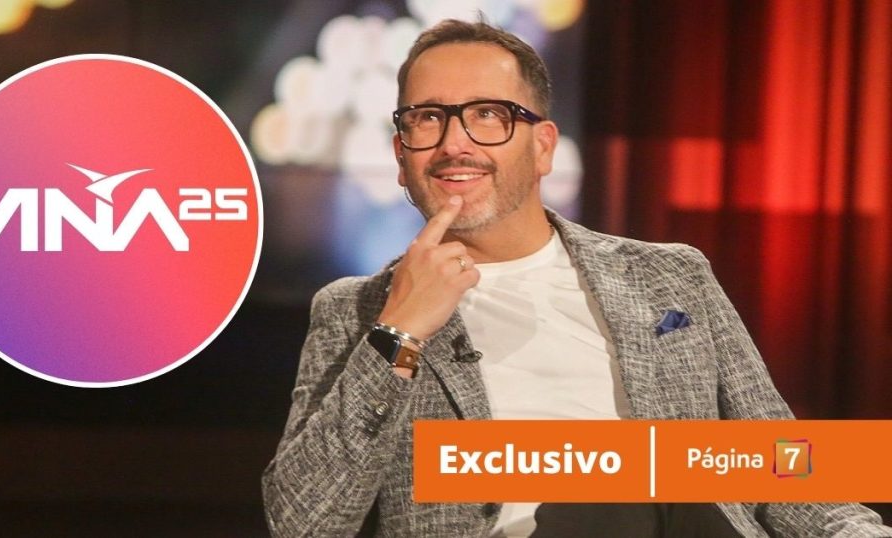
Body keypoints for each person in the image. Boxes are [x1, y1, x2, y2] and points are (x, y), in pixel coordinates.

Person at [262, 19, 890, 537]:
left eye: (488, 114)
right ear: (401, 155)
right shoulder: (356, 311)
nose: (455, 143)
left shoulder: (671, 276)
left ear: (543, 147)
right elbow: (304, 523)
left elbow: (784, 468)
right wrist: (398, 334)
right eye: (427, 118)